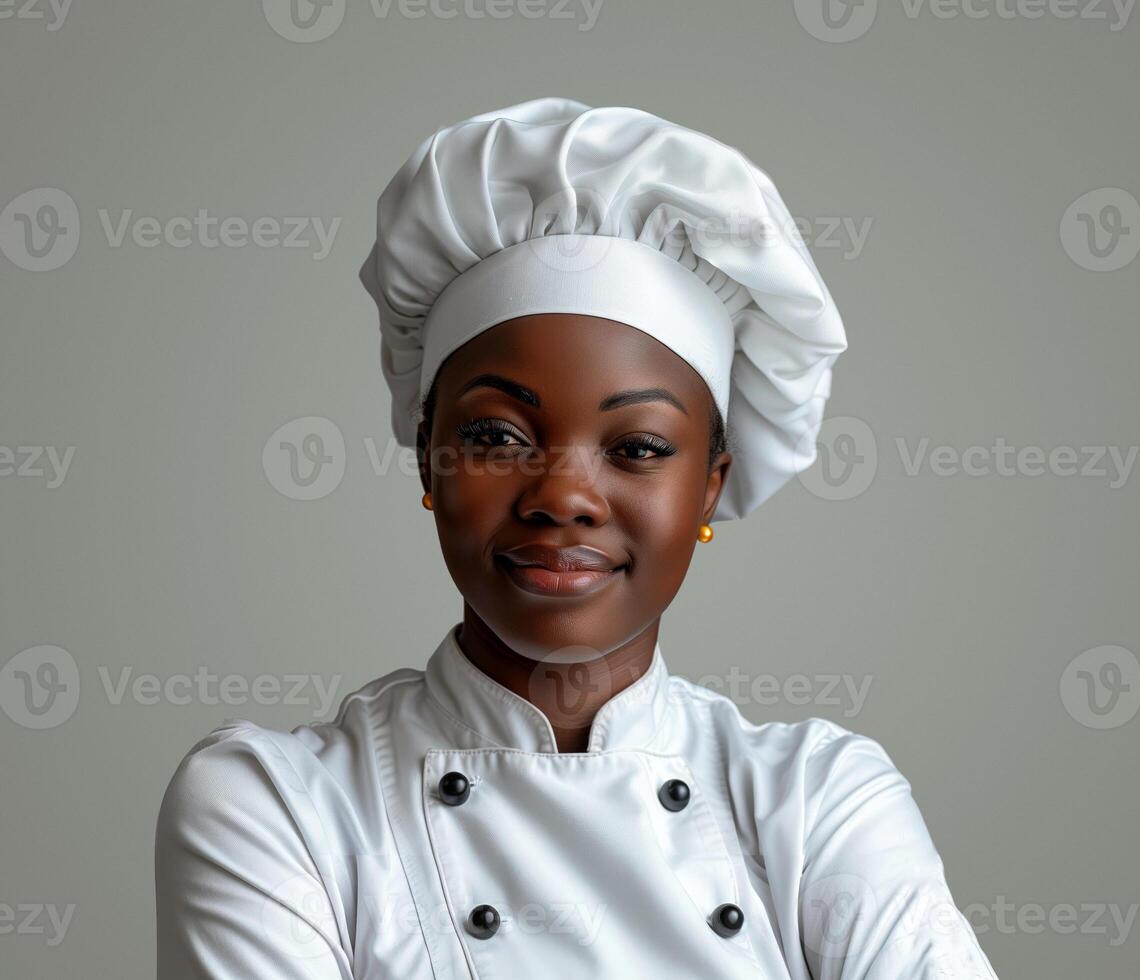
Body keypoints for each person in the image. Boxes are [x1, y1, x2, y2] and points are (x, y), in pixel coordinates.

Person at [155, 96, 999, 979]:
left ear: (710, 483)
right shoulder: (278, 807)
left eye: (637, 447)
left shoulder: (820, 799)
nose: (563, 497)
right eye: (495, 437)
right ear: (427, 462)